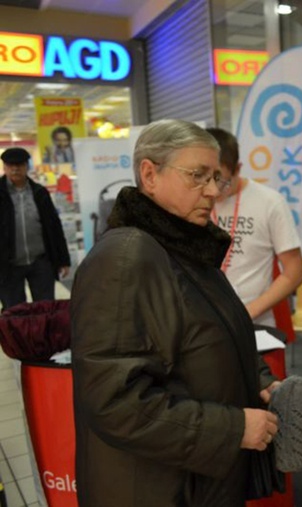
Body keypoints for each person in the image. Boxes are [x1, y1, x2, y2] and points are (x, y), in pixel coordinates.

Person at [70, 119, 283, 507]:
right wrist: (232, 429)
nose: (213, 191)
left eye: (216, 177)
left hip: (194, 480)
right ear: (150, 175)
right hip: (154, 488)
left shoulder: (183, 246)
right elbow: (114, 400)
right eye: (197, 176)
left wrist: (258, 379)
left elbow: (204, 338)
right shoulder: (126, 257)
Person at [206, 127, 302, 327]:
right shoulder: (195, 200)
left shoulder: (270, 202)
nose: (214, 190)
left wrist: (248, 312)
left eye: (222, 181)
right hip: (207, 320)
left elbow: (294, 272)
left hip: (255, 321)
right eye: (207, 179)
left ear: (238, 169)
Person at [0, 147, 70, 311]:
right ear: (4, 167)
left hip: (41, 262)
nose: (15, 169)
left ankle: (44, 337)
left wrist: (63, 260)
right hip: (8, 264)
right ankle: (18, 338)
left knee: (45, 309)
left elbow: (54, 227)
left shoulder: (40, 192)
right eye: (11, 165)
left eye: (20, 165)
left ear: (27, 166)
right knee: (14, 311)